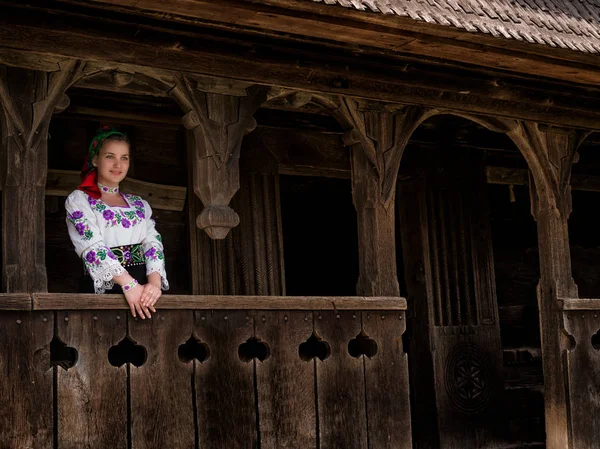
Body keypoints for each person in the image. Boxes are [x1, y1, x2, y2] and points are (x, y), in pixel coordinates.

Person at [65, 126, 169, 319]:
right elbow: (91, 246)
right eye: (110, 156)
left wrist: (153, 285)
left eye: (124, 158)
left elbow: (152, 243)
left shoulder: (139, 204)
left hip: (145, 292)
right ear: (95, 159)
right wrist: (129, 285)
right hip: (108, 286)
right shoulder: (80, 200)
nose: (117, 164)